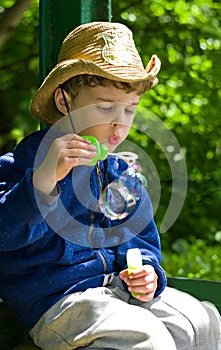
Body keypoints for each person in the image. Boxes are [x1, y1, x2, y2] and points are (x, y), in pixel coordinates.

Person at [0, 21, 220, 350]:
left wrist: (146, 271)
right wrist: (44, 179)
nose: (120, 123)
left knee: (204, 322)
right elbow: (6, 234)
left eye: (130, 109)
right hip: (59, 302)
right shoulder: (25, 163)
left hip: (119, 290)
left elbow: (140, 239)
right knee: (148, 339)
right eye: (104, 107)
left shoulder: (120, 172)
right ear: (64, 101)